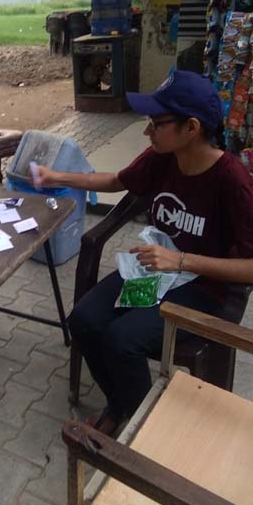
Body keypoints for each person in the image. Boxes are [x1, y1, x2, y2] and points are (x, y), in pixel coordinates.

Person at [36, 70, 253, 435]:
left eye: (156, 123)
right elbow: (115, 181)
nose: (147, 131)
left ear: (191, 128)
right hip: (155, 272)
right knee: (84, 320)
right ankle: (122, 405)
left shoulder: (232, 182)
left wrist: (181, 260)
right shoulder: (162, 157)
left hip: (203, 287)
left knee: (123, 340)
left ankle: (146, 433)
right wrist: (56, 177)